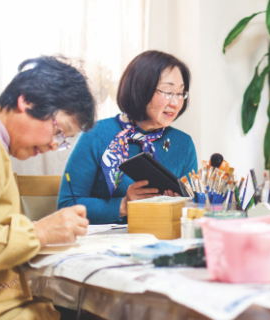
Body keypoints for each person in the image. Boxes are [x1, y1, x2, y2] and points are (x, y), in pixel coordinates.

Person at [0, 56, 95, 319]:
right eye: (60, 131)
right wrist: (40, 232)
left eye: (63, 140)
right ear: (27, 100)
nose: (53, 146)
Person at [58, 51, 198, 224]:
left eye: (180, 93)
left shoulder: (183, 144)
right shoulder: (98, 134)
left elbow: (194, 208)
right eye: (168, 92)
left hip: (161, 240)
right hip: (105, 246)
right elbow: (67, 205)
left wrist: (179, 205)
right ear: (141, 88)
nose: (176, 102)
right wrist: (123, 205)